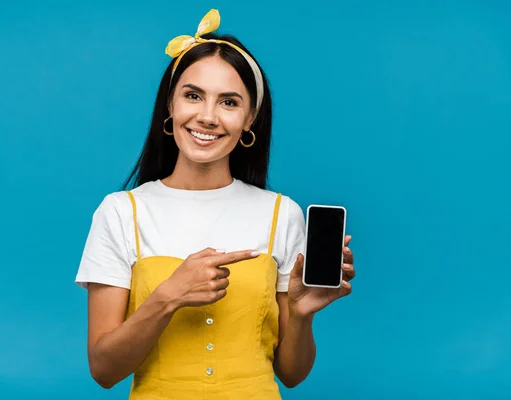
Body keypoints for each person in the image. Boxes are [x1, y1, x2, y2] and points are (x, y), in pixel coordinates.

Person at [75, 9, 356, 399]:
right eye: (193, 96)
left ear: (249, 119)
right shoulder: (121, 212)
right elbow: (104, 370)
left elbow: (291, 374)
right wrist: (167, 296)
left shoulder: (281, 214)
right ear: (169, 107)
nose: (207, 117)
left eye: (228, 102)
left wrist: (303, 315)